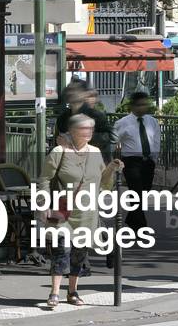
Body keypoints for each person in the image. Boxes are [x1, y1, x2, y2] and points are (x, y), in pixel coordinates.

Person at [39, 113, 123, 310]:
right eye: (85, 129)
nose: (89, 132)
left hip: (87, 213)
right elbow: (44, 179)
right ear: (74, 131)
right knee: (62, 251)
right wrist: (43, 203)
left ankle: (72, 291)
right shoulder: (59, 152)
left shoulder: (95, 151)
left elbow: (104, 184)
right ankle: (54, 292)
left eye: (91, 129)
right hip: (63, 211)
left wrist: (111, 167)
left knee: (79, 254)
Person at [113, 91, 160, 230]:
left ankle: (132, 219)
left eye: (144, 104)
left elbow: (156, 141)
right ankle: (140, 226)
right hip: (131, 161)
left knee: (143, 192)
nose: (142, 108)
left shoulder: (152, 121)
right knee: (136, 191)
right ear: (132, 106)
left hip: (148, 161)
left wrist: (154, 159)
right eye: (139, 105)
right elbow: (113, 140)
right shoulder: (123, 123)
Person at [56, 82, 114, 162]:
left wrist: (77, 139)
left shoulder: (96, 115)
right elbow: (59, 140)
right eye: (69, 90)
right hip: (71, 160)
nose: (71, 93)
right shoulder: (62, 118)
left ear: (84, 94)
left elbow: (109, 137)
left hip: (95, 160)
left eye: (75, 90)